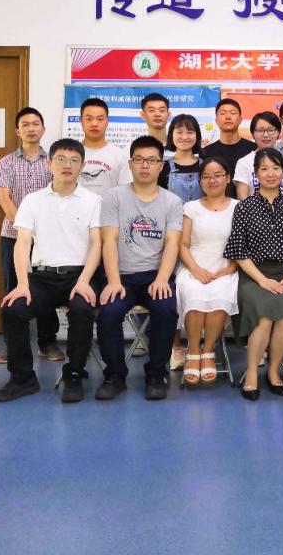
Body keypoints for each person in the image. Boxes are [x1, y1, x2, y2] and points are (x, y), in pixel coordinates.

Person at [0, 138, 101, 403]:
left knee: (82, 309)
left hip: (79, 275)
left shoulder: (94, 201)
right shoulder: (32, 201)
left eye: (74, 160)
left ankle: (74, 374)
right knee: (13, 308)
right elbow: (22, 243)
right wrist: (22, 284)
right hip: (41, 277)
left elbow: (97, 244)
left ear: (82, 166)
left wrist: (85, 281)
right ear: (49, 164)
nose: (67, 165)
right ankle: (22, 379)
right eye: (61, 159)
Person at [96, 136, 183, 401]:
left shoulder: (172, 201)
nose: (145, 165)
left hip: (156, 276)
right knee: (108, 313)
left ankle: (156, 374)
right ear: (130, 164)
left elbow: (172, 244)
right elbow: (109, 240)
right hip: (120, 275)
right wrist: (113, 281)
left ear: (161, 166)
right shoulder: (114, 197)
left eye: (152, 160)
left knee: (166, 310)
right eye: (140, 160)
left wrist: (163, 279)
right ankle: (115, 375)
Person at [223, 148, 283, 401]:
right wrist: (262, 280)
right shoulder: (244, 207)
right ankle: (251, 374)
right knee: (265, 318)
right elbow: (238, 251)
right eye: (265, 168)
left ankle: (273, 370)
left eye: (276, 168)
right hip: (254, 276)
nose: (271, 173)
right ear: (256, 174)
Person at [0, 107, 58, 366]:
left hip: (47, 238)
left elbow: (57, 196)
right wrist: (24, 228)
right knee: (12, 288)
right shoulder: (6, 163)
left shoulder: (52, 161)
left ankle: (47, 342)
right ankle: (12, 345)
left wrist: (40, 231)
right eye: (25, 125)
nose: (31, 128)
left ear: (43, 129)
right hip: (13, 235)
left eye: (35, 123)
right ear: (18, 131)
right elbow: (4, 199)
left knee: (47, 289)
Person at [175, 157, 239, 386]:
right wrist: (195, 269)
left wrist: (230, 268)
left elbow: (243, 244)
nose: (212, 180)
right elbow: (183, 245)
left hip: (226, 267)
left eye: (218, 175)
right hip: (193, 265)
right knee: (194, 292)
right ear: (200, 180)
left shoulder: (238, 207)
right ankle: (193, 349)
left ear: (228, 178)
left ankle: (208, 350)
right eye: (206, 176)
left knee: (220, 293)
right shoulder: (190, 208)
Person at [158, 113, 204, 371]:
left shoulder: (208, 165)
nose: (185, 136)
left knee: (200, 289)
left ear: (197, 135)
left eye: (190, 131)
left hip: (202, 238)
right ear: (171, 135)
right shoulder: (164, 167)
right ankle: (175, 345)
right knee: (171, 292)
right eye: (179, 131)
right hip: (171, 237)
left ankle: (200, 346)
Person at [234, 112, 283, 199]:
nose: (266, 135)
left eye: (271, 130)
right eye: (260, 131)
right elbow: (242, 199)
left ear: (278, 133)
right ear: (253, 133)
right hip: (252, 208)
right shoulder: (244, 163)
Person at [78, 97, 131, 195]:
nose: (94, 124)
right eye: (89, 119)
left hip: (110, 205)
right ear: (80, 120)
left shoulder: (120, 155)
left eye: (100, 119)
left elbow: (125, 193)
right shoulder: (71, 154)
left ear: (107, 121)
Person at [202, 98, 255, 180]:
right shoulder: (206, 153)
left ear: (240, 120)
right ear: (216, 120)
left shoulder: (253, 149)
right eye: (223, 113)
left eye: (233, 113)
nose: (228, 117)